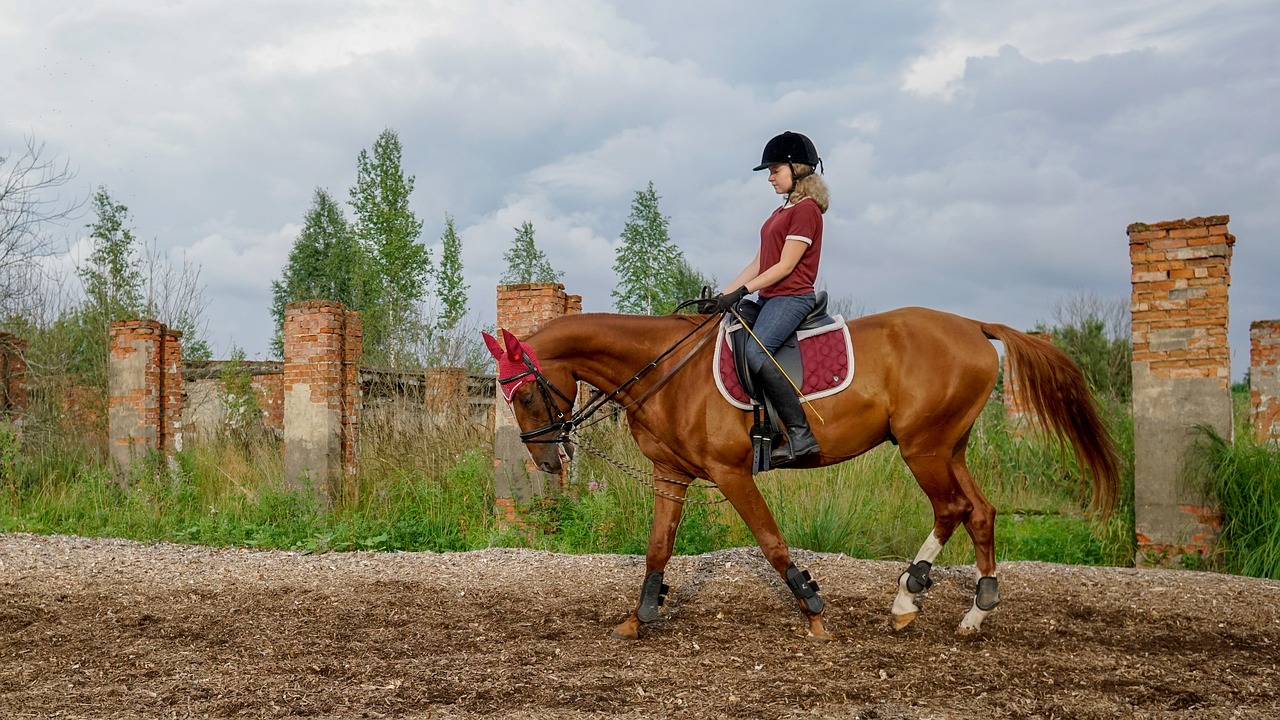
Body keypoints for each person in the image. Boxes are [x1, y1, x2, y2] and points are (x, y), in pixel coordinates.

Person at [704, 130, 829, 464]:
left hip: (792, 297)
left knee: (758, 356)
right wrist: (724, 295)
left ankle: (801, 435)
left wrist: (744, 291)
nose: (770, 177)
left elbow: (786, 266)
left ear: (798, 169)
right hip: (769, 298)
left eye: (775, 170)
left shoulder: (806, 211)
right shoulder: (779, 213)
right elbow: (760, 262)